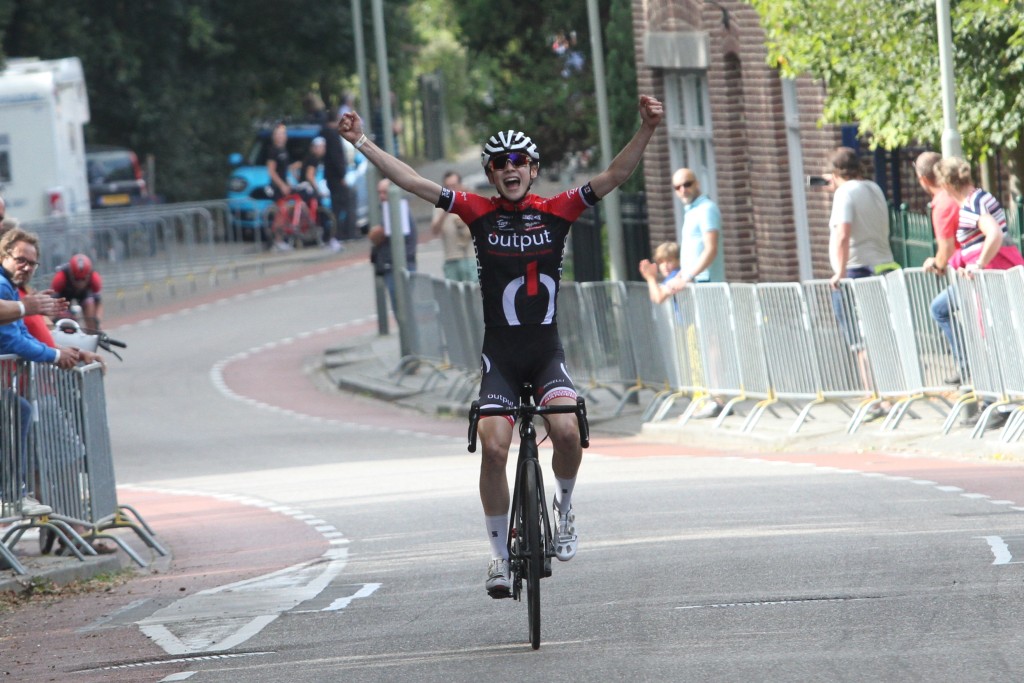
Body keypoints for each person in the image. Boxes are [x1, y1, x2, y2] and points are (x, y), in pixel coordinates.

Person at [339, 93, 664, 598]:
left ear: (532, 170)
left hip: (546, 353)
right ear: (490, 174)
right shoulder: (477, 212)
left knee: (567, 430)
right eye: (499, 163)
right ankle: (497, 558)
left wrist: (645, 129)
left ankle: (566, 506)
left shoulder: (558, 210)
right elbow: (410, 181)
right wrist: (361, 141)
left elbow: (613, 177)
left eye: (518, 161)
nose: (509, 168)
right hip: (501, 359)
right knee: (492, 446)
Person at [932, 157, 1023, 429]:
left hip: (991, 278)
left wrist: (978, 264)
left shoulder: (971, 204)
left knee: (994, 338)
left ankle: (1001, 403)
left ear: (947, 183)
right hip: (996, 275)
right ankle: (998, 401)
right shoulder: (980, 198)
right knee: (1001, 336)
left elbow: (992, 233)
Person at [0, 229, 85, 517]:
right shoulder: (4, 287)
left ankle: (16, 495)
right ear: (4, 256)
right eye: (20, 260)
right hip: (29, 385)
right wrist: (55, 354)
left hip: (26, 386)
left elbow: (22, 331)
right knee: (17, 411)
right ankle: (13, 494)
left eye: (32, 263)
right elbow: (11, 341)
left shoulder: (11, 288)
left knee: (17, 410)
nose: (25, 267)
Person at [665, 168, 726, 418]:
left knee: (712, 343)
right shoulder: (691, 212)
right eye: (677, 187)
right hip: (693, 284)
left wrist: (688, 276)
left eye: (687, 184)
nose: (683, 190)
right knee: (701, 343)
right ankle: (709, 396)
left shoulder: (706, 209)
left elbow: (710, 250)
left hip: (706, 284)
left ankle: (718, 397)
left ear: (697, 183)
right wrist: (680, 276)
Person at [368, 178, 417, 315]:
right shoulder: (385, 210)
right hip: (390, 265)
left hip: (402, 264)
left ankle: (410, 335)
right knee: (399, 308)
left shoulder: (399, 209)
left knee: (405, 306)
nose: (381, 197)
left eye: (384, 192)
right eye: (379, 193)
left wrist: (377, 232)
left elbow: (381, 235)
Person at [429, 171, 476, 283]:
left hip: (470, 258)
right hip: (451, 258)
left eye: (454, 186)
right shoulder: (440, 206)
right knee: (454, 297)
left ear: (460, 185)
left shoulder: (470, 201)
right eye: (448, 187)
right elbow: (434, 230)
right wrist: (446, 209)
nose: (451, 190)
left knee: (473, 295)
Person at [320, 109, 351, 247]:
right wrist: (342, 175)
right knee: (340, 205)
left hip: (329, 176)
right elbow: (337, 157)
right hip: (336, 177)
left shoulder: (323, 133)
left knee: (335, 205)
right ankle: (337, 234)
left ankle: (333, 234)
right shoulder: (333, 135)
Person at [264, 122, 296, 252]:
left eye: (282, 134)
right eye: (278, 134)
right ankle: (277, 240)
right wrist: (281, 185)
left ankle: (281, 238)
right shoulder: (273, 151)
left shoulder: (284, 150)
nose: (280, 136)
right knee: (280, 212)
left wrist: (288, 182)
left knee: (284, 212)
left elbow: (284, 170)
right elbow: (271, 171)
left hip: (284, 184)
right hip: (277, 187)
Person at [51, 253, 103, 332]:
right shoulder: (60, 278)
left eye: (83, 279)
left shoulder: (95, 279)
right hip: (64, 295)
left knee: (92, 318)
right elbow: (53, 302)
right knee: (65, 320)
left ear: (89, 275)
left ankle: (92, 335)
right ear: (71, 274)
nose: (80, 284)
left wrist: (97, 320)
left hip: (85, 294)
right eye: (77, 279)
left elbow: (98, 302)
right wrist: (58, 316)